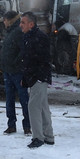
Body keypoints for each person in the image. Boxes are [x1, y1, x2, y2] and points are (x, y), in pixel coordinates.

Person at [19, 11, 54, 148]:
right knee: (43, 107)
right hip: (33, 77)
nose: (20, 25)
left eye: (23, 22)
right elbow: (26, 61)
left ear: (31, 24)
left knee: (33, 107)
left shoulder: (40, 37)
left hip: (39, 78)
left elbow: (43, 60)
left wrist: (38, 77)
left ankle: (38, 137)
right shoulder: (27, 37)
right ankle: (49, 136)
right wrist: (25, 77)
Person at [0, 11, 31, 135]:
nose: (4, 22)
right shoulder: (11, 32)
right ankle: (11, 125)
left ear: (10, 20)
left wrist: (15, 63)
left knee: (23, 99)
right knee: (10, 99)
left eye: (5, 20)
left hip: (17, 72)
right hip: (8, 71)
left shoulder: (18, 31)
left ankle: (27, 125)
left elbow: (23, 50)